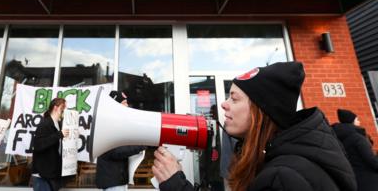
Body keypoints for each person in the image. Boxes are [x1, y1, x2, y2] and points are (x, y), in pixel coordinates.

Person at [152, 61, 357, 191]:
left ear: (260, 110)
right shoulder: (282, 159)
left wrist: (176, 186)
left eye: (234, 98)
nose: (223, 104)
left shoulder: (282, 178)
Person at [96, 91, 146, 191]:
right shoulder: (108, 124)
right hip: (113, 182)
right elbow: (116, 151)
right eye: (124, 103)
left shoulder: (114, 123)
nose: (127, 105)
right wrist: (140, 145)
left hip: (116, 180)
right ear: (115, 105)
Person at [332, 109, 378, 191]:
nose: (359, 122)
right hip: (369, 180)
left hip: (352, 180)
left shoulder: (338, 139)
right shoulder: (358, 138)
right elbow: (371, 160)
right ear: (352, 121)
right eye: (357, 119)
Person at [32, 98, 70, 191]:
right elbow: (38, 145)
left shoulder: (59, 124)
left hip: (52, 174)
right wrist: (59, 135)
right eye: (63, 107)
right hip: (42, 175)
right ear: (55, 108)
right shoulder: (45, 123)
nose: (64, 110)